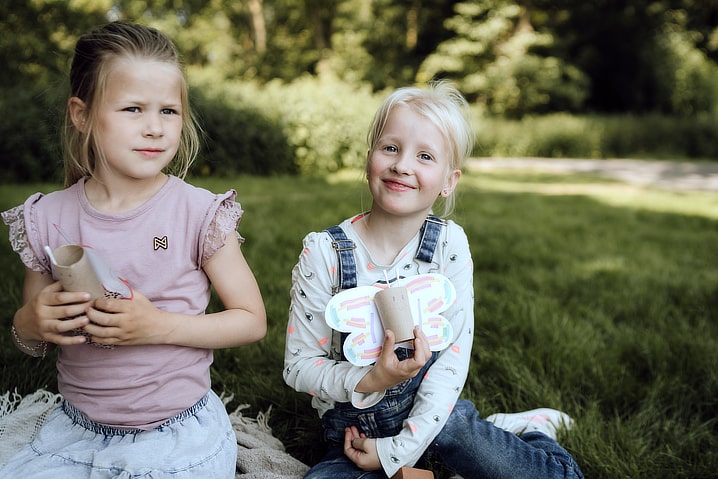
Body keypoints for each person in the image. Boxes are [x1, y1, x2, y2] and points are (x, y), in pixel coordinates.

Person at [0, 21, 266, 478]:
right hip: (78, 429)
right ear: (81, 115)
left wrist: (158, 327)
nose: (154, 128)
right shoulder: (48, 218)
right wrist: (30, 322)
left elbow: (251, 320)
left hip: (176, 432)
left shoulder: (197, 212)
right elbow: (32, 337)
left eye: (168, 111)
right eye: (133, 109)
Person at [283, 81, 584, 479]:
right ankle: (474, 447)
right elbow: (298, 367)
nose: (402, 165)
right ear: (370, 156)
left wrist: (399, 451)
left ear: (448, 181)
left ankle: (530, 434)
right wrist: (371, 378)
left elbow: (450, 366)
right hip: (355, 437)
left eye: (425, 156)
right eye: (390, 148)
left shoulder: (449, 246)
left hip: (439, 418)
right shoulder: (324, 254)